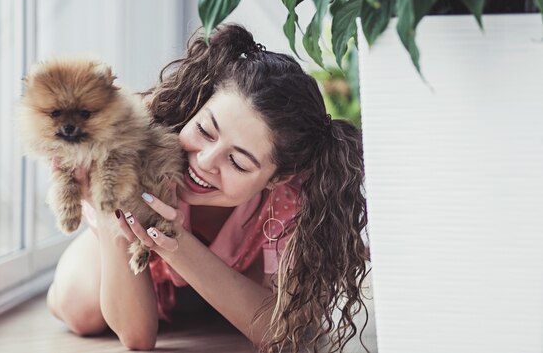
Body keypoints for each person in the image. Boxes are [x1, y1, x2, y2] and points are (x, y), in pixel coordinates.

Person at [46, 24, 372, 353]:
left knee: (275, 310)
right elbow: (137, 339)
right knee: (80, 307)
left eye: (239, 163)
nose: (205, 160)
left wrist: (177, 243)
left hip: (237, 268)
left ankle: (212, 299)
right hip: (139, 261)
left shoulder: (293, 199)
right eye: (205, 129)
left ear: (278, 178)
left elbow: (283, 333)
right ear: (200, 104)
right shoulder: (143, 135)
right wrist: (107, 204)